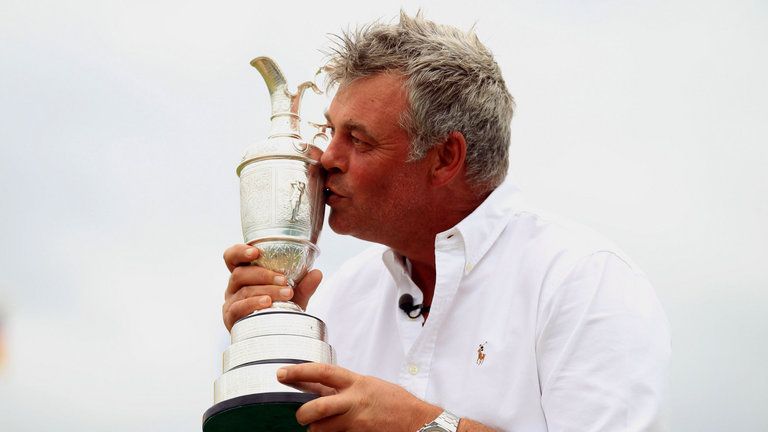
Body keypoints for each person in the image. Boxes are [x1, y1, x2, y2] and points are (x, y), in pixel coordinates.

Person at [222, 11, 670, 432]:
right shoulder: (333, 303)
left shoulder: (582, 280)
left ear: (445, 158)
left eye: (358, 139)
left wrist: (421, 425)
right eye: (329, 131)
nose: (327, 158)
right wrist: (265, 343)